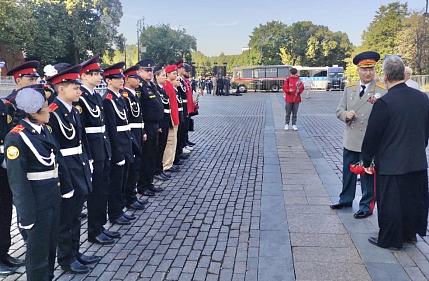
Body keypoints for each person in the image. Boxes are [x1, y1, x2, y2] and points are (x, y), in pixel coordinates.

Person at [362, 55, 429, 250]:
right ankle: (409, 234)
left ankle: (391, 239)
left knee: (391, 203)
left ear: (385, 77)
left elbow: (372, 136)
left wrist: (367, 160)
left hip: (392, 163)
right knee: (412, 200)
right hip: (416, 161)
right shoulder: (422, 98)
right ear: (403, 75)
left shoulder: (385, 102)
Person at [5, 86, 68, 280]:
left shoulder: (43, 131)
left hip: (51, 198)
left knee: (50, 247)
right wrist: (26, 215)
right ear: (32, 112)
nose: (49, 110)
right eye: (45, 107)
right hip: (36, 204)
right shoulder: (16, 137)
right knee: (37, 253)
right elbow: (18, 181)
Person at [46, 65, 99, 274]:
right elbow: (54, 150)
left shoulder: (74, 110)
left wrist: (88, 160)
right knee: (66, 218)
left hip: (79, 165)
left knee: (76, 214)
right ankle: (66, 259)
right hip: (66, 169)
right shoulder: (52, 113)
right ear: (61, 89)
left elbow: (82, 139)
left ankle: (75, 252)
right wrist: (63, 178)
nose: (79, 91)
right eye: (75, 87)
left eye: (79, 87)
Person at [331, 51, 387, 219]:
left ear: (375, 69)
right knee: (348, 173)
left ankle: (366, 205)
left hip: (369, 142)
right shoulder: (349, 89)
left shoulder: (382, 91)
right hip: (351, 140)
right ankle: (346, 199)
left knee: (367, 174)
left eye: (371, 69)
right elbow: (339, 110)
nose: (367, 72)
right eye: (364, 69)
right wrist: (345, 114)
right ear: (358, 70)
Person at [77, 55, 118, 245]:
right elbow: (81, 131)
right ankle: (94, 231)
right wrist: (88, 156)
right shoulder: (81, 98)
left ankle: (100, 226)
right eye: (94, 74)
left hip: (102, 148)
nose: (99, 77)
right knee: (95, 194)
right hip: (93, 151)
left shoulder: (93, 96)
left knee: (102, 190)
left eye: (99, 74)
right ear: (84, 76)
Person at [102, 62, 136, 226]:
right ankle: (114, 213)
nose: (121, 80)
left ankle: (120, 208)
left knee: (124, 178)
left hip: (125, 140)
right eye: (116, 78)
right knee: (116, 181)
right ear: (108, 80)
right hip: (118, 144)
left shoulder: (119, 97)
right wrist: (117, 151)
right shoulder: (107, 100)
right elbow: (111, 128)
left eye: (122, 77)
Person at [136, 58, 164, 196]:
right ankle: (142, 185)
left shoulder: (151, 85)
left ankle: (149, 182)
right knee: (146, 157)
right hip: (146, 125)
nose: (150, 73)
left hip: (154, 125)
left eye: (151, 70)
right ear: (139, 71)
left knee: (152, 155)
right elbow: (139, 110)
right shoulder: (139, 87)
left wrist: (158, 124)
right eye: (147, 71)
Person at [122, 64, 148, 210]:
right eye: (135, 77)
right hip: (130, 134)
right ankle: (129, 198)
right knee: (131, 168)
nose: (138, 80)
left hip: (137, 132)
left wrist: (143, 130)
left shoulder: (133, 94)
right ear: (127, 79)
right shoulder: (125, 96)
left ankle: (133, 195)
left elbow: (139, 116)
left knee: (136, 166)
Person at [163, 65, 181, 173]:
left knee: (173, 141)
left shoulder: (170, 85)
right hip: (170, 117)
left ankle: (170, 161)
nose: (175, 75)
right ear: (168, 74)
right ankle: (167, 164)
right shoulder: (166, 85)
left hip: (174, 116)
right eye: (173, 73)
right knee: (169, 142)